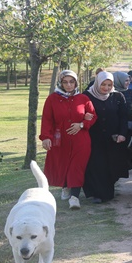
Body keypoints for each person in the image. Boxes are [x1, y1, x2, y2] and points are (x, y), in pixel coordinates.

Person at [40, 70, 96, 210]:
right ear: (60, 82)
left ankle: (75, 197)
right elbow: (47, 119)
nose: (69, 85)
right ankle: (65, 185)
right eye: (65, 82)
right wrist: (46, 137)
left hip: (80, 139)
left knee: (77, 166)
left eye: (72, 82)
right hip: (61, 138)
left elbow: (93, 115)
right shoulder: (52, 99)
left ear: (76, 82)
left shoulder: (83, 98)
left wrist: (82, 124)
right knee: (63, 163)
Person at [83, 71, 129, 203]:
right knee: (96, 165)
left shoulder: (118, 96)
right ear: (98, 83)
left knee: (111, 165)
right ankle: (97, 194)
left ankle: (107, 192)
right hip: (93, 137)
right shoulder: (87, 96)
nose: (106, 88)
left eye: (109, 85)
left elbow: (123, 117)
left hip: (112, 138)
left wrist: (122, 134)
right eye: (103, 84)